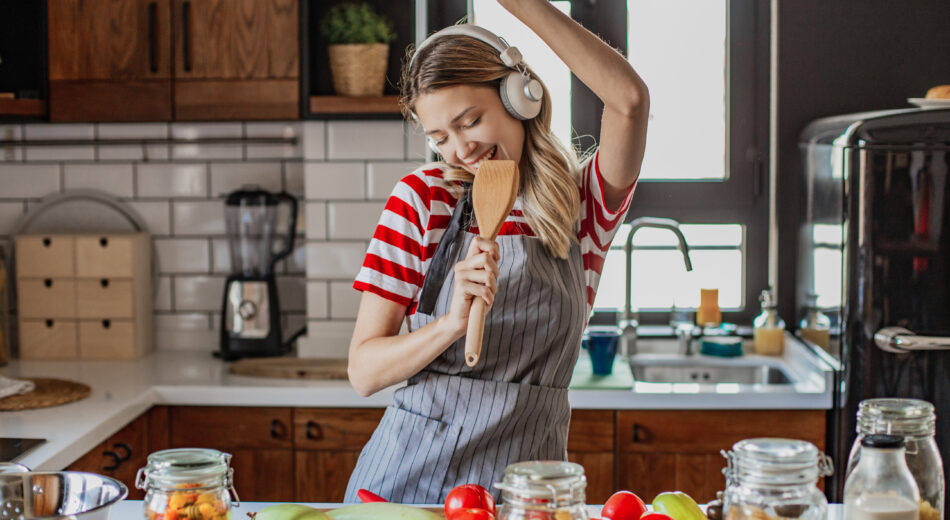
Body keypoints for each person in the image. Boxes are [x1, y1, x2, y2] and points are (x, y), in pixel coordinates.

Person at [343, 0, 648, 504]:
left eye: (469, 121)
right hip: (407, 489)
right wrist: (449, 325)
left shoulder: (580, 207)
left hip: (527, 493)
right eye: (440, 137)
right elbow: (363, 371)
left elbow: (630, 100)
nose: (459, 149)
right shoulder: (423, 199)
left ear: (518, 97)